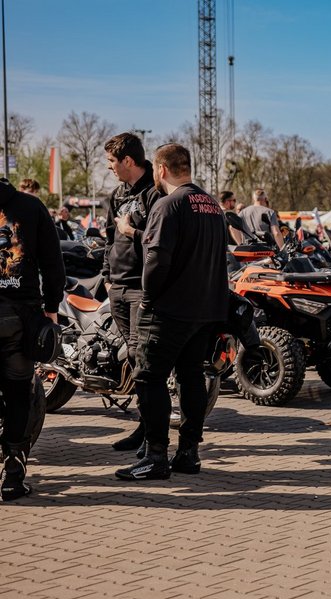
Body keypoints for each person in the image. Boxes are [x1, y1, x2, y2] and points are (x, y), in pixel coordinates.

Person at [115, 143, 229, 481]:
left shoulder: (167, 205)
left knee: (148, 377)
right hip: (206, 309)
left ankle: (155, 456)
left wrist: (149, 296)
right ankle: (189, 452)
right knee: (191, 377)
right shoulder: (213, 205)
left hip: (169, 310)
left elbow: (156, 259)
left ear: (161, 170)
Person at [0, 178, 65, 500]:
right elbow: (54, 264)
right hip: (19, 316)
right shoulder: (31, 206)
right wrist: (52, 307)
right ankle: (13, 472)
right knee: (18, 393)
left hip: (19, 315)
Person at [102, 132, 163, 453]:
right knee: (134, 358)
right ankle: (145, 427)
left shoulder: (156, 192)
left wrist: (132, 231)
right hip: (118, 288)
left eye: (112, 161)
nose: (109, 167)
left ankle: (151, 435)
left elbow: (160, 243)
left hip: (143, 290)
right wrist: (107, 277)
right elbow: (110, 239)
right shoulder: (116, 194)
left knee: (145, 362)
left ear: (128, 161)